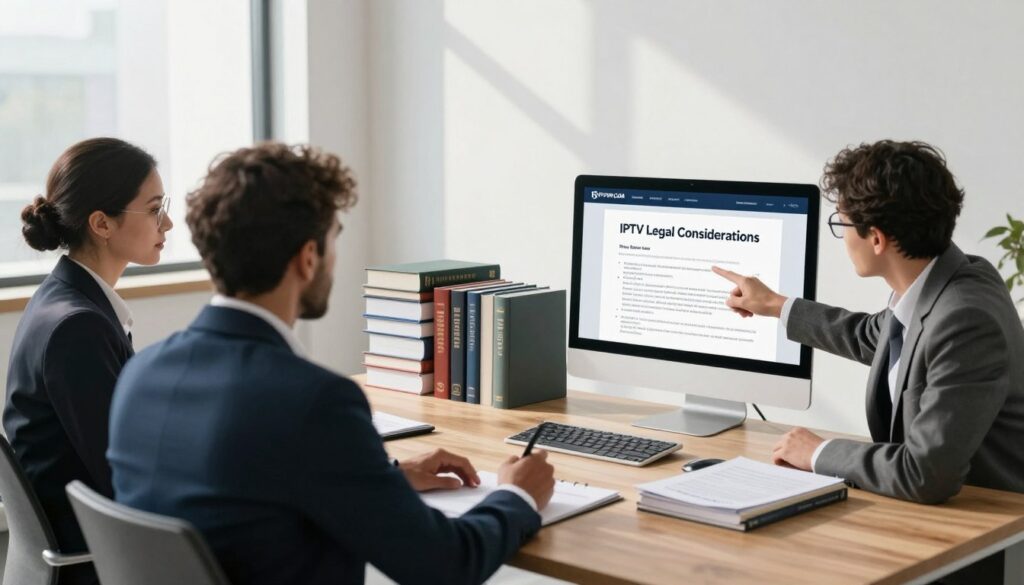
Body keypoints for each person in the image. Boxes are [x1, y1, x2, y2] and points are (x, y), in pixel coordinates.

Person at [107, 142, 555, 585]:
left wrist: (386, 479)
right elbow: (447, 564)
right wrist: (517, 494)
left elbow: (246, 487)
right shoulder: (314, 401)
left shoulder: (140, 374)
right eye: (334, 240)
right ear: (307, 258)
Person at [714, 140, 1024, 582]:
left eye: (842, 224)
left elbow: (924, 473)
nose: (842, 237)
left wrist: (818, 452)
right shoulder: (942, 279)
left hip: (979, 538)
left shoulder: (965, 317)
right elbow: (871, 335)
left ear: (876, 238)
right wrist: (775, 305)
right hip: (929, 522)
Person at [5, 137, 173, 584]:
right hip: (95, 562)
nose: (169, 222)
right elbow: (125, 479)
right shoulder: (77, 326)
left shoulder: (64, 299)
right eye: (155, 209)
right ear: (102, 223)